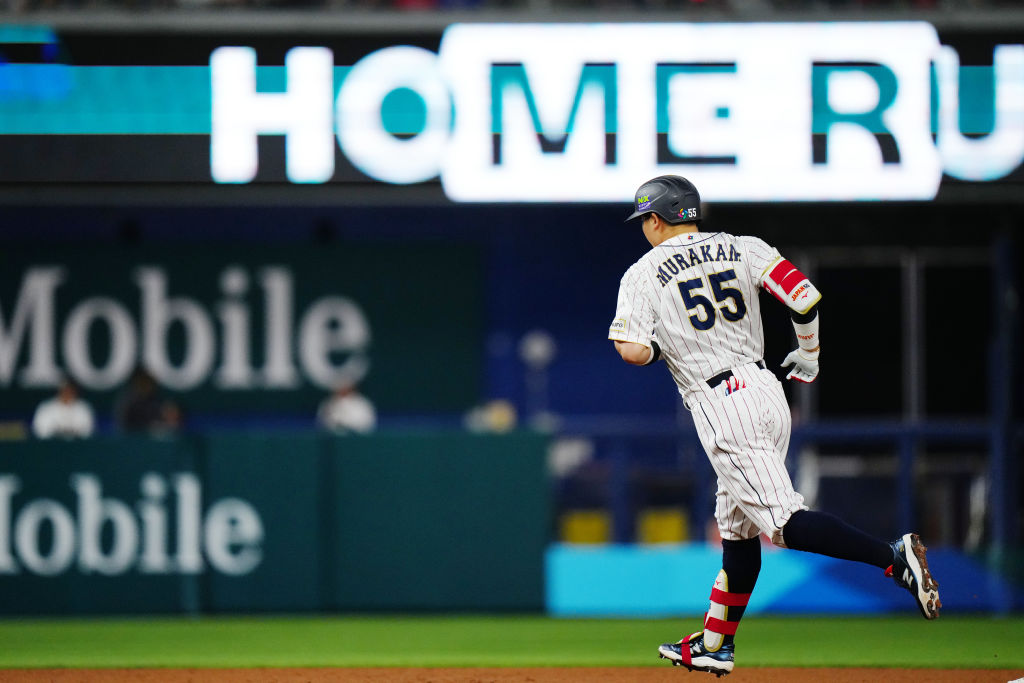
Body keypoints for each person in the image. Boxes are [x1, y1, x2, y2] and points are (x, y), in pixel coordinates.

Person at [608, 175, 940, 676]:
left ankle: (893, 559)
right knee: (737, 532)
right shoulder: (744, 246)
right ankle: (715, 645)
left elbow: (630, 349)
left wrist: (655, 348)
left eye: (645, 221)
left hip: (721, 402)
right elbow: (804, 297)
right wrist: (809, 353)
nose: (644, 229)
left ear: (657, 219)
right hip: (767, 389)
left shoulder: (642, 273)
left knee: (784, 524)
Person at [115, 366, 181, 435]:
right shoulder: (129, 404)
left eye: (148, 382)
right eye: (142, 382)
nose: (146, 385)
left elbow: (170, 420)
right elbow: (123, 425)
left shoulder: (158, 402)